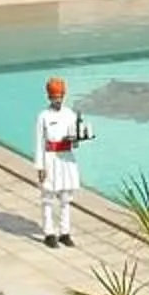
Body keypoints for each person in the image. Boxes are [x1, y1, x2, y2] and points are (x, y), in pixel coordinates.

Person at [33, 77, 89, 248]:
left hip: (66, 158)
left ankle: (65, 232)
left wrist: (78, 138)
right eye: (54, 97)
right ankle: (49, 232)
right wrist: (40, 166)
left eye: (60, 97)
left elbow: (75, 140)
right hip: (50, 158)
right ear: (49, 97)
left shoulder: (69, 114)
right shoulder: (43, 116)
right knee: (48, 196)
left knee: (66, 197)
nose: (57, 100)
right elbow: (39, 142)